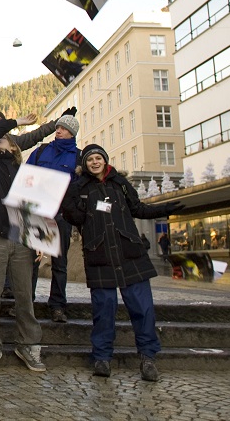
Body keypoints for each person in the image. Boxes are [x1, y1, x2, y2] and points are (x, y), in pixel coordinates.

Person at [61, 144, 181, 382]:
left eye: (98, 158)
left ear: (105, 161)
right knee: (103, 311)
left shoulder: (120, 183)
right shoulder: (79, 187)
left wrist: (166, 208)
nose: (95, 162)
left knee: (143, 310)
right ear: (85, 164)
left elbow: (138, 208)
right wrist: (68, 204)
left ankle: (148, 357)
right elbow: (73, 216)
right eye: (90, 159)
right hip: (100, 254)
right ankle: (102, 358)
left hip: (130, 253)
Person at [0, 81, 67, 298]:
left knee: (11, 240)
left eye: (0, 120)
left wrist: (59, 122)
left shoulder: (14, 142)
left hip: (9, 202)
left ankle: (8, 286)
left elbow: (37, 134)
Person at [0, 112, 47, 373]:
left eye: (6, 138)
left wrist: (39, 240)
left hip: (21, 240)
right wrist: (17, 123)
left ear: (14, 147)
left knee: (25, 296)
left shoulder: (23, 172)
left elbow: (31, 207)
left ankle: (28, 345)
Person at [25, 113, 80, 323]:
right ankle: (26, 304)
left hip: (61, 216)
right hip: (38, 213)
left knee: (60, 263)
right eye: (57, 127)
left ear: (72, 133)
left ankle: (57, 305)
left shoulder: (78, 157)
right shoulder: (41, 151)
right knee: (30, 262)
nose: (58, 130)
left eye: (64, 128)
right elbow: (27, 177)